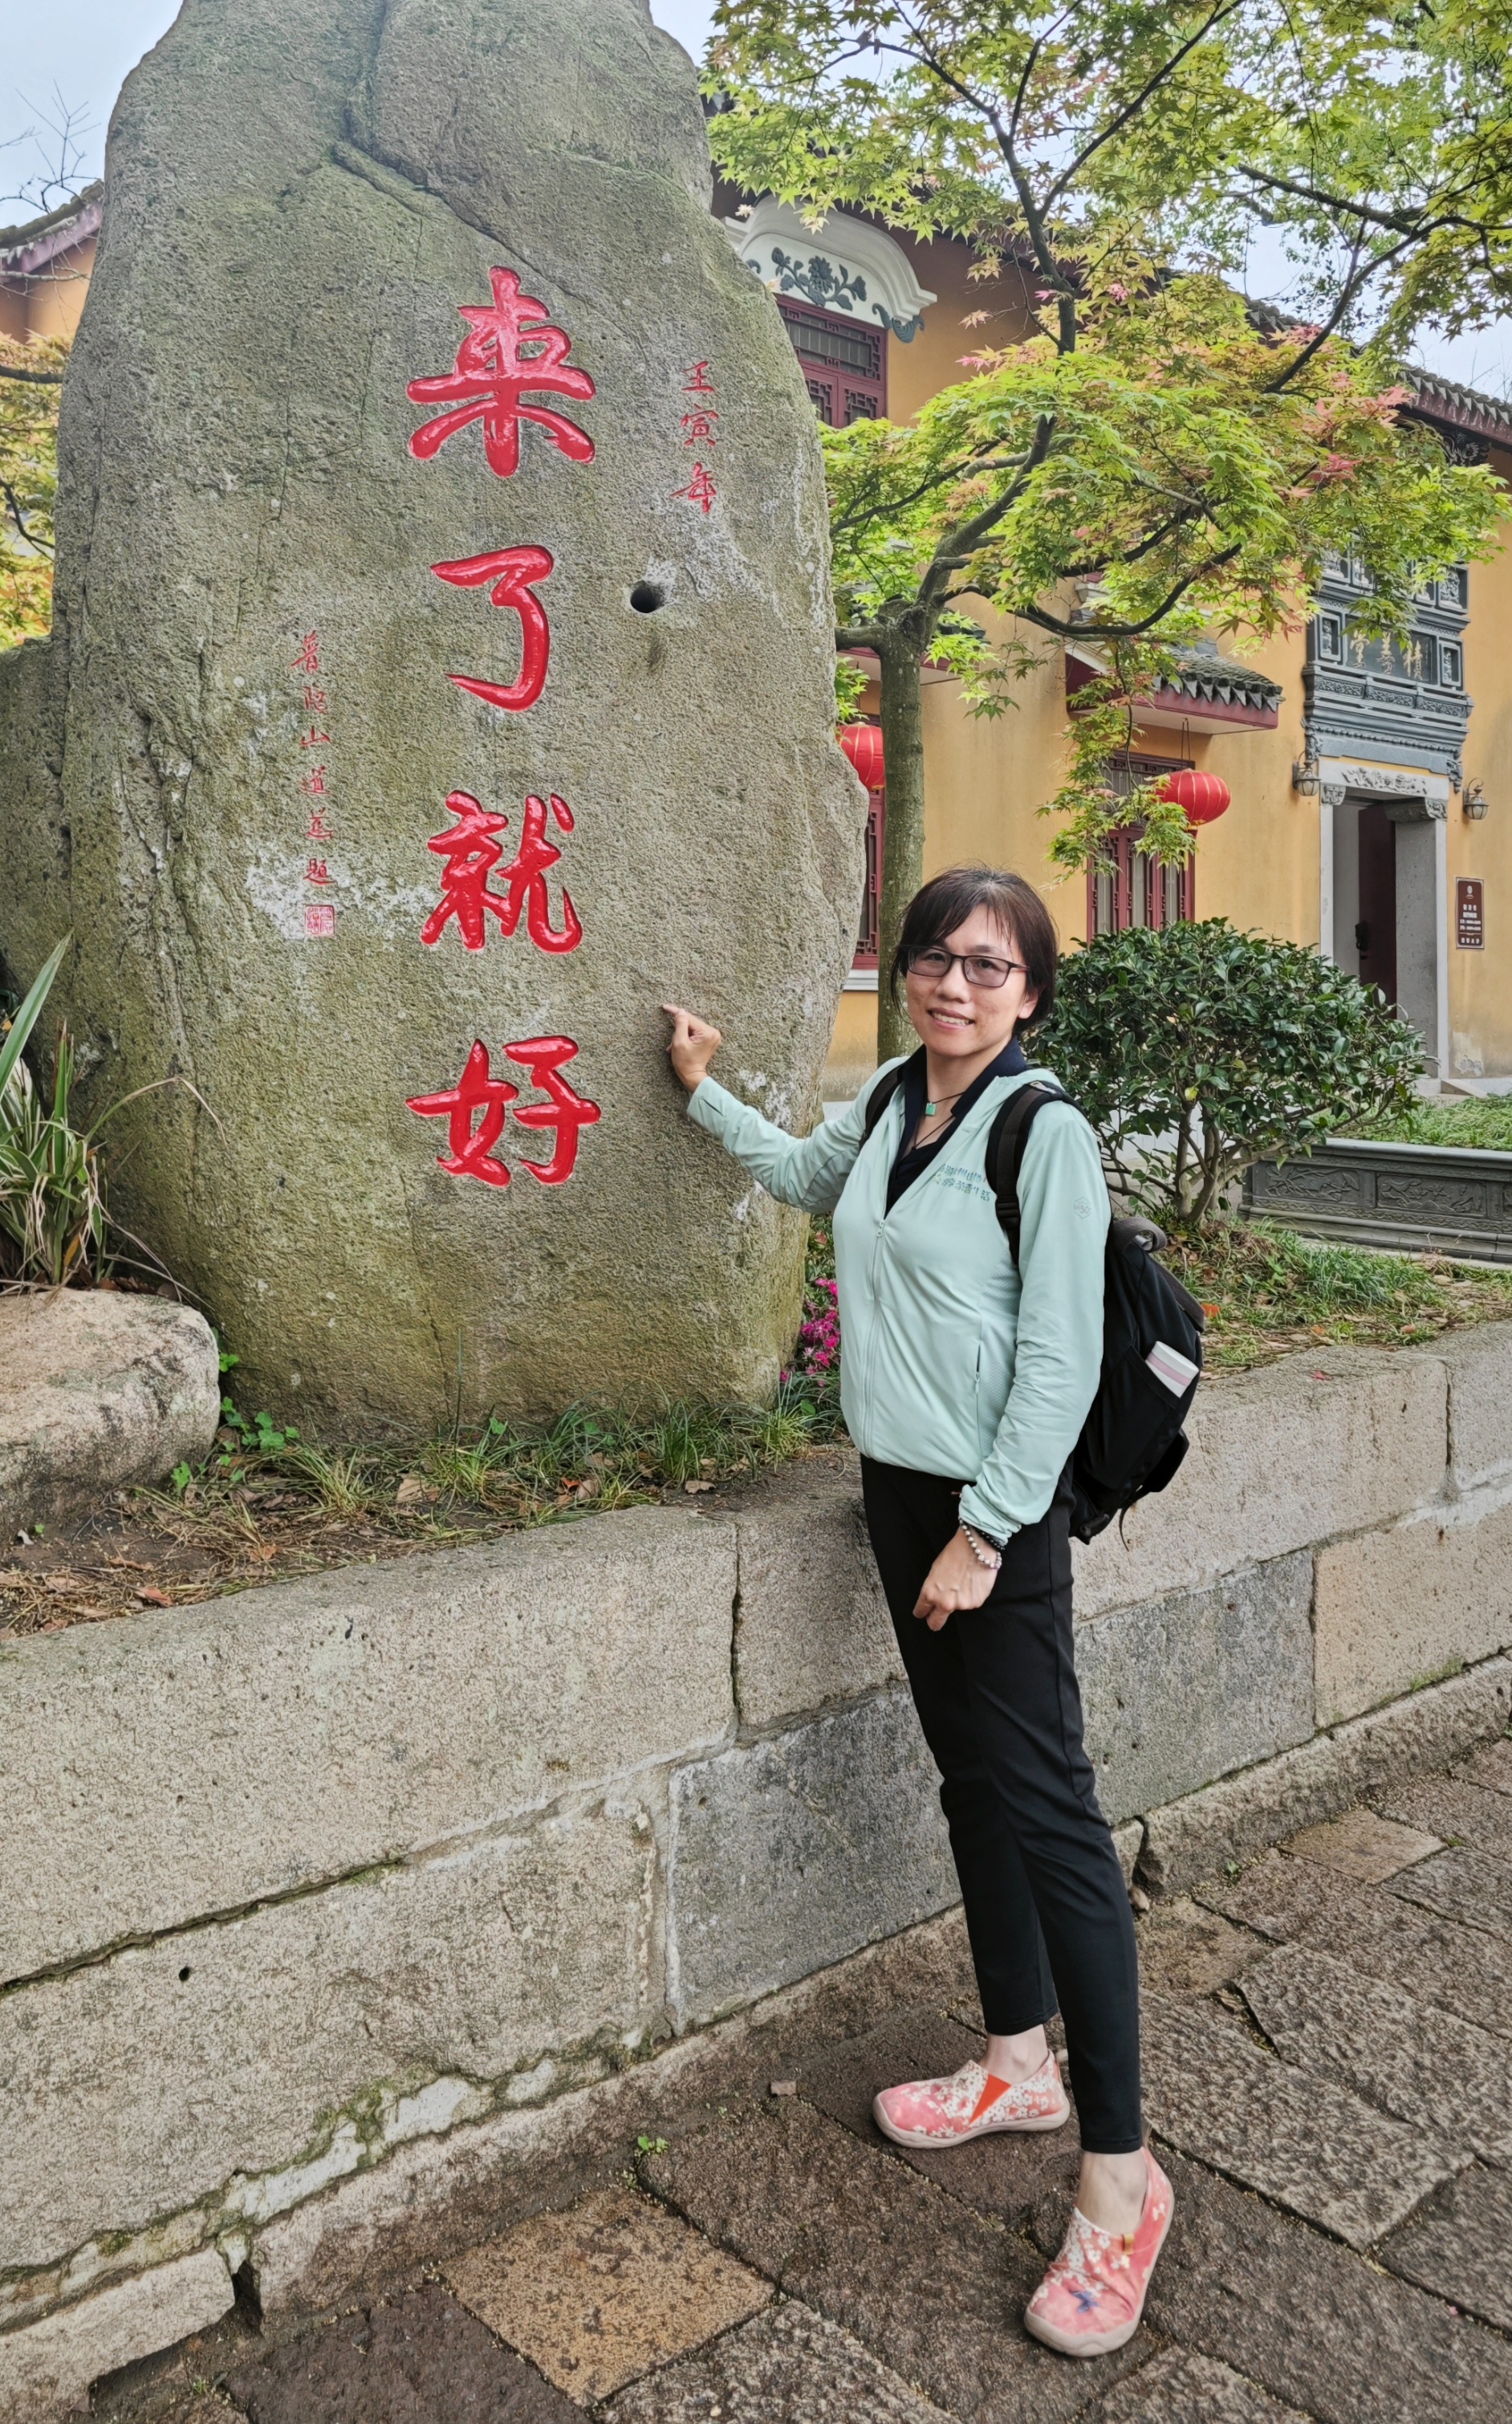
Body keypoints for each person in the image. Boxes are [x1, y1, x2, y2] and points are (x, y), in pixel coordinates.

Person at [662, 864, 1172, 2360]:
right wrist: (701, 1090)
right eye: (937, 957)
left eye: (989, 966)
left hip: (987, 1514)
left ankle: (1123, 2176)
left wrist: (987, 1533)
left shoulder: (1042, 1132)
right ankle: (1017, 2058)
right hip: (897, 1492)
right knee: (973, 1785)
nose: (957, 984)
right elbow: (808, 1177)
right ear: (905, 974)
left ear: (1031, 993)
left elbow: (1061, 1358)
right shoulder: (895, 1099)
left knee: (1053, 1812)